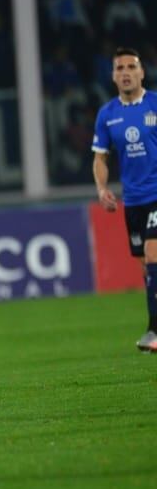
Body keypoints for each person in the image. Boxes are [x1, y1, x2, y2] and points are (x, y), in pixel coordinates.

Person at [92, 46, 157, 352]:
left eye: (132, 66)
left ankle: (154, 331)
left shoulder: (156, 105)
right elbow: (101, 158)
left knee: (154, 254)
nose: (126, 72)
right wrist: (102, 188)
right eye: (120, 68)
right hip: (133, 201)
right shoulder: (107, 115)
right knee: (147, 267)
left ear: (142, 72)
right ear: (113, 76)